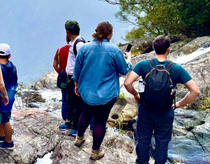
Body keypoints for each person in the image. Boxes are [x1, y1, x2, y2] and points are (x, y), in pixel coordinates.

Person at [124, 35, 200, 164]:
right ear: (168, 50)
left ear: (153, 48)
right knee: (162, 143)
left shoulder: (144, 64)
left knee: (143, 140)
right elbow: (195, 91)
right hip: (165, 112)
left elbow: (127, 83)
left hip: (145, 110)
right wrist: (179, 105)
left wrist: (136, 95)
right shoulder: (176, 68)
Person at [73, 21, 133, 160]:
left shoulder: (84, 48)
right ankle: (95, 152)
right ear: (110, 34)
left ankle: (79, 138)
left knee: (86, 114)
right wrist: (128, 59)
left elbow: (77, 70)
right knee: (100, 121)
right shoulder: (114, 50)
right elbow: (124, 70)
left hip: (87, 92)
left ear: (96, 31)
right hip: (107, 94)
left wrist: (77, 85)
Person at [60, 20, 85, 136]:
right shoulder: (73, 42)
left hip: (76, 78)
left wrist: (77, 80)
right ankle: (69, 122)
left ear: (68, 32)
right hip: (70, 77)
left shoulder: (79, 44)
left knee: (77, 103)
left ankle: (77, 127)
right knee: (70, 101)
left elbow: (82, 62)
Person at [0, 43, 18, 150]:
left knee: (5, 120)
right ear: (9, 56)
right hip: (11, 95)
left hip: (1, 97)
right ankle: (0, 135)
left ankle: (8, 141)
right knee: (3, 116)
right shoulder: (12, 67)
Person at [53, 38, 70, 122]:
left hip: (63, 78)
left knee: (64, 99)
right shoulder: (77, 49)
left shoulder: (60, 50)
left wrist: (60, 73)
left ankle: (65, 119)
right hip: (74, 78)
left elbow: (54, 65)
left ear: (66, 39)